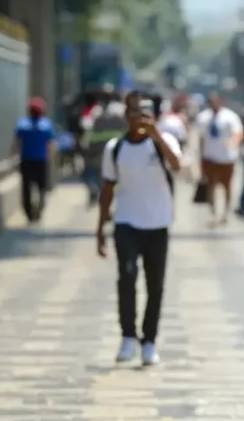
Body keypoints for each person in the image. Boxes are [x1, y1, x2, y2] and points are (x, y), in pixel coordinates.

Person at [95, 91, 182, 366]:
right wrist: (100, 228)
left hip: (157, 223)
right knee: (127, 277)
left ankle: (149, 341)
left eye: (144, 113)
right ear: (126, 116)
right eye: (134, 113)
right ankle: (128, 337)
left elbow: (178, 166)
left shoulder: (163, 142)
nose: (139, 119)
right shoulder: (115, 148)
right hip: (126, 222)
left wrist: (157, 136)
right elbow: (107, 188)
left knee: (155, 285)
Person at [198, 92, 244, 224]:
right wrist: (200, 157)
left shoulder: (230, 116)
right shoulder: (203, 117)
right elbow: (201, 137)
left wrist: (232, 143)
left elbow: (239, 133)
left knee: (227, 185)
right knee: (210, 185)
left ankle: (225, 212)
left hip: (226, 158)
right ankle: (212, 212)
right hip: (210, 157)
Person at [13, 97, 56, 223]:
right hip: (41, 161)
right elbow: (51, 144)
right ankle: (40, 209)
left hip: (27, 160)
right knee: (42, 187)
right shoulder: (46, 125)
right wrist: (51, 157)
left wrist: (14, 157)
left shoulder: (22, 125)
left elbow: (17, 143)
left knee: (26, 188)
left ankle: (29, 212)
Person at [83, 90, 127, 204]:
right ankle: (110, 200)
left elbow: (87, 128)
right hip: (115, 150)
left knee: (103, 176)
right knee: (114, 175)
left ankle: (106, 199)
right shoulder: (120, 109)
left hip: (101, 149)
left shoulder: (96, 111)